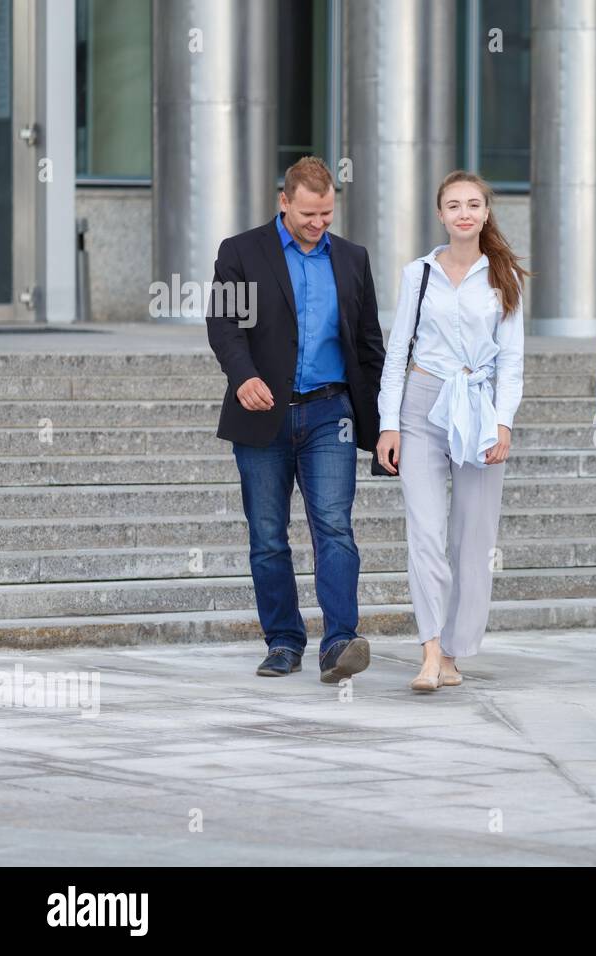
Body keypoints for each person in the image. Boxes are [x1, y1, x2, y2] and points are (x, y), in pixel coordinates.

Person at [206, 156, 386, 683]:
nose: (318, 223)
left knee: (334, 528)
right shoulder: (241, 252)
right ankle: (283, 642)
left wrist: (382, 426)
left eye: (327, 213)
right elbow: (223, 323)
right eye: (309, 213)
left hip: (332, 413)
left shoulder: (353, 259)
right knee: (267, 535)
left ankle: (339, 644)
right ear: (284, 202)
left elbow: (369, 345)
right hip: (262, 414)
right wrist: (242, 377)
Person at [375, 171, 526, 693]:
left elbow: (512, 362)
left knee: (473, 536)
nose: (464, 212)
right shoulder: (417, 274)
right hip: (422, 404)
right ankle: (430, 650)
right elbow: (396, 355)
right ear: (440, 214)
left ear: (485, 213)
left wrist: (503, 422)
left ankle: (457, 650)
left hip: (480, 409)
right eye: (453, 204)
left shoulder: (503, 276)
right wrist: (388, 425)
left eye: (473, 204)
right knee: (425, 531)